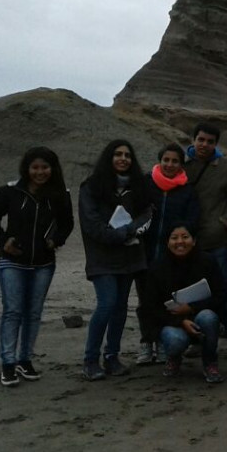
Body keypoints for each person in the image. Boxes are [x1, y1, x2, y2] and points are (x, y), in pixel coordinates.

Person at [0, 147, 74, 387]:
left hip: (43, 263)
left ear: (52, 169)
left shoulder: (60, 195)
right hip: (13, 261)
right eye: (35, 167)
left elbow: (67, 223)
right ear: (27, 168)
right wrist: (3, 241)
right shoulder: (11, 192)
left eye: (44, 167)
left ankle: (25, 359)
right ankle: (8, 363)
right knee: (13, 311)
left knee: (33, 313)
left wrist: (56, 240)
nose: (40, 172)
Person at [78, 139, 152, 381]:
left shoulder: (139, 186)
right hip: (102, 257)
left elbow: (147, 214)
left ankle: (112, 356)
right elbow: (90, 223)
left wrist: (130, 230)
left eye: (127, 155)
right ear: (109, 158)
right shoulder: (92, 186)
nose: (123, 159)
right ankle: (90, 359)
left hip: (130, 256)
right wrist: (120, 235)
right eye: (118, 154)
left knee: (120, 308)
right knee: (106, 304)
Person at [183, 122, 227, 357]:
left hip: (218, 241)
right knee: (190, 291)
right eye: (201, 139)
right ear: (194, 139)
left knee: (224, 288)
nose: (205, 145)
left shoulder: (226, 169)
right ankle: (195, 338)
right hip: (188, 243)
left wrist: (224, 224)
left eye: (210, 141)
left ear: (216, 144)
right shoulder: (183, 166)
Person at [135, 143, 201, 365]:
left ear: (181, 165)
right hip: (144, 253)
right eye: (166, 160)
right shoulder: (146, 184)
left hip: (171, 255)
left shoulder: (187, 190)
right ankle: (146, 342)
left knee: (168, 300)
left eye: (175, 161)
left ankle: (164, 342)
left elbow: (192, 220)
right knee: (145, 300)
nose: (170, 164)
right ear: (159, 160)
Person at [138, 225, 227, 383]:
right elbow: (150, 307)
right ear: (167, 242)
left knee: (208, 318)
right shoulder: (157, 267)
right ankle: (174, 358)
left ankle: (210, 363)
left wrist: (192, 308)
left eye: (185, 237)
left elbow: (221, 295)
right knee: (175, 340)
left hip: (200, 316)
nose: (180, 242)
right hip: (171, 321)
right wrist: (180, 321)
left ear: (194, 240)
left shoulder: (207, 261)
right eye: (174, 238)